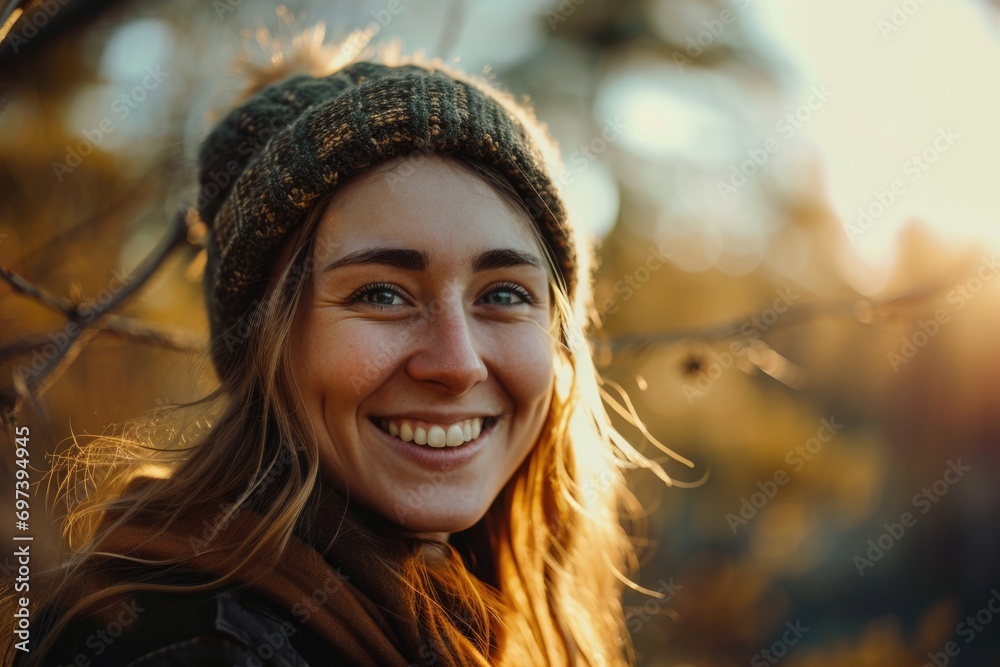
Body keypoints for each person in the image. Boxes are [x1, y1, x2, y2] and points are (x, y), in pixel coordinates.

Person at [2, 42, 682, 667]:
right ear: (266, 342)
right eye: (383, 294)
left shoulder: (453, 617)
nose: (458, 362)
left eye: (504, 293)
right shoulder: (187, 646)